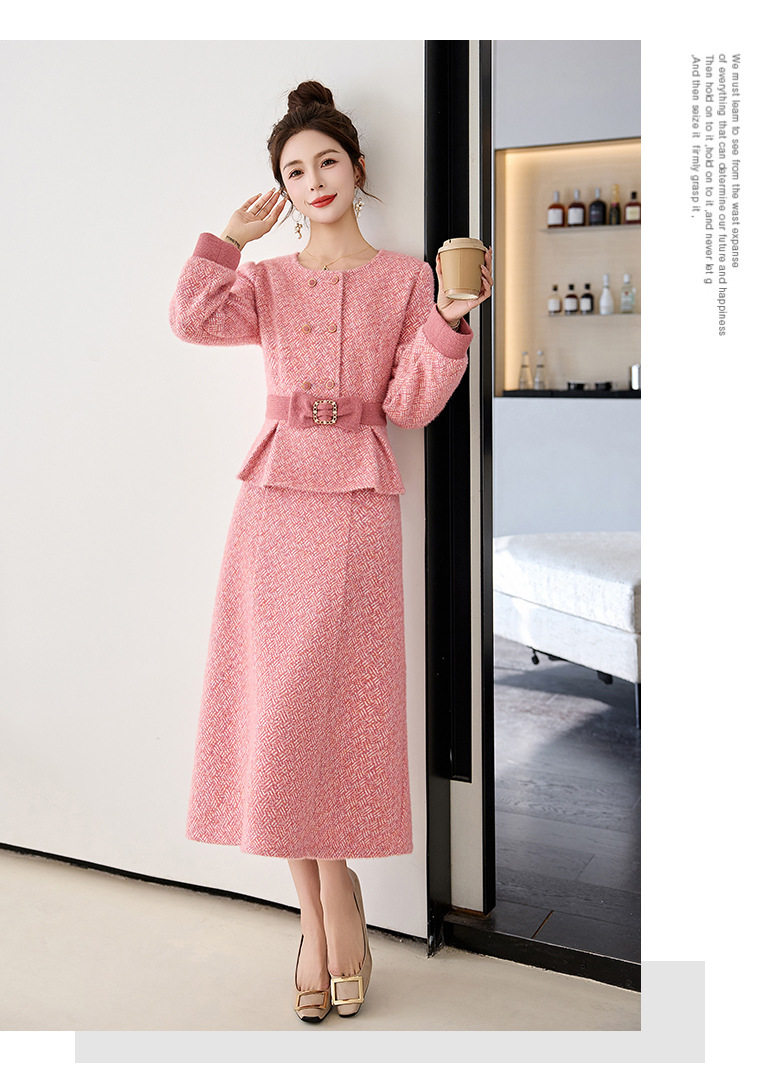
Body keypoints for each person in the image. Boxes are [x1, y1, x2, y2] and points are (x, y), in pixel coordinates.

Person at [168, 79, 493, 1023]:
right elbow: (190, 319)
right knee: (277, 710)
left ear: (358, 168)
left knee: (331, 706)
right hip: (272, 503)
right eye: (293, 171)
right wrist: (227, 239)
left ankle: (331, 902)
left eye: (326, 162)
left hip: (355, 500)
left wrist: (451, 316)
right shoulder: (264, 280)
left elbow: (410, 404)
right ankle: (321, 913)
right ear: (282, 187)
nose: (312, 182)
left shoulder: (406, 279)